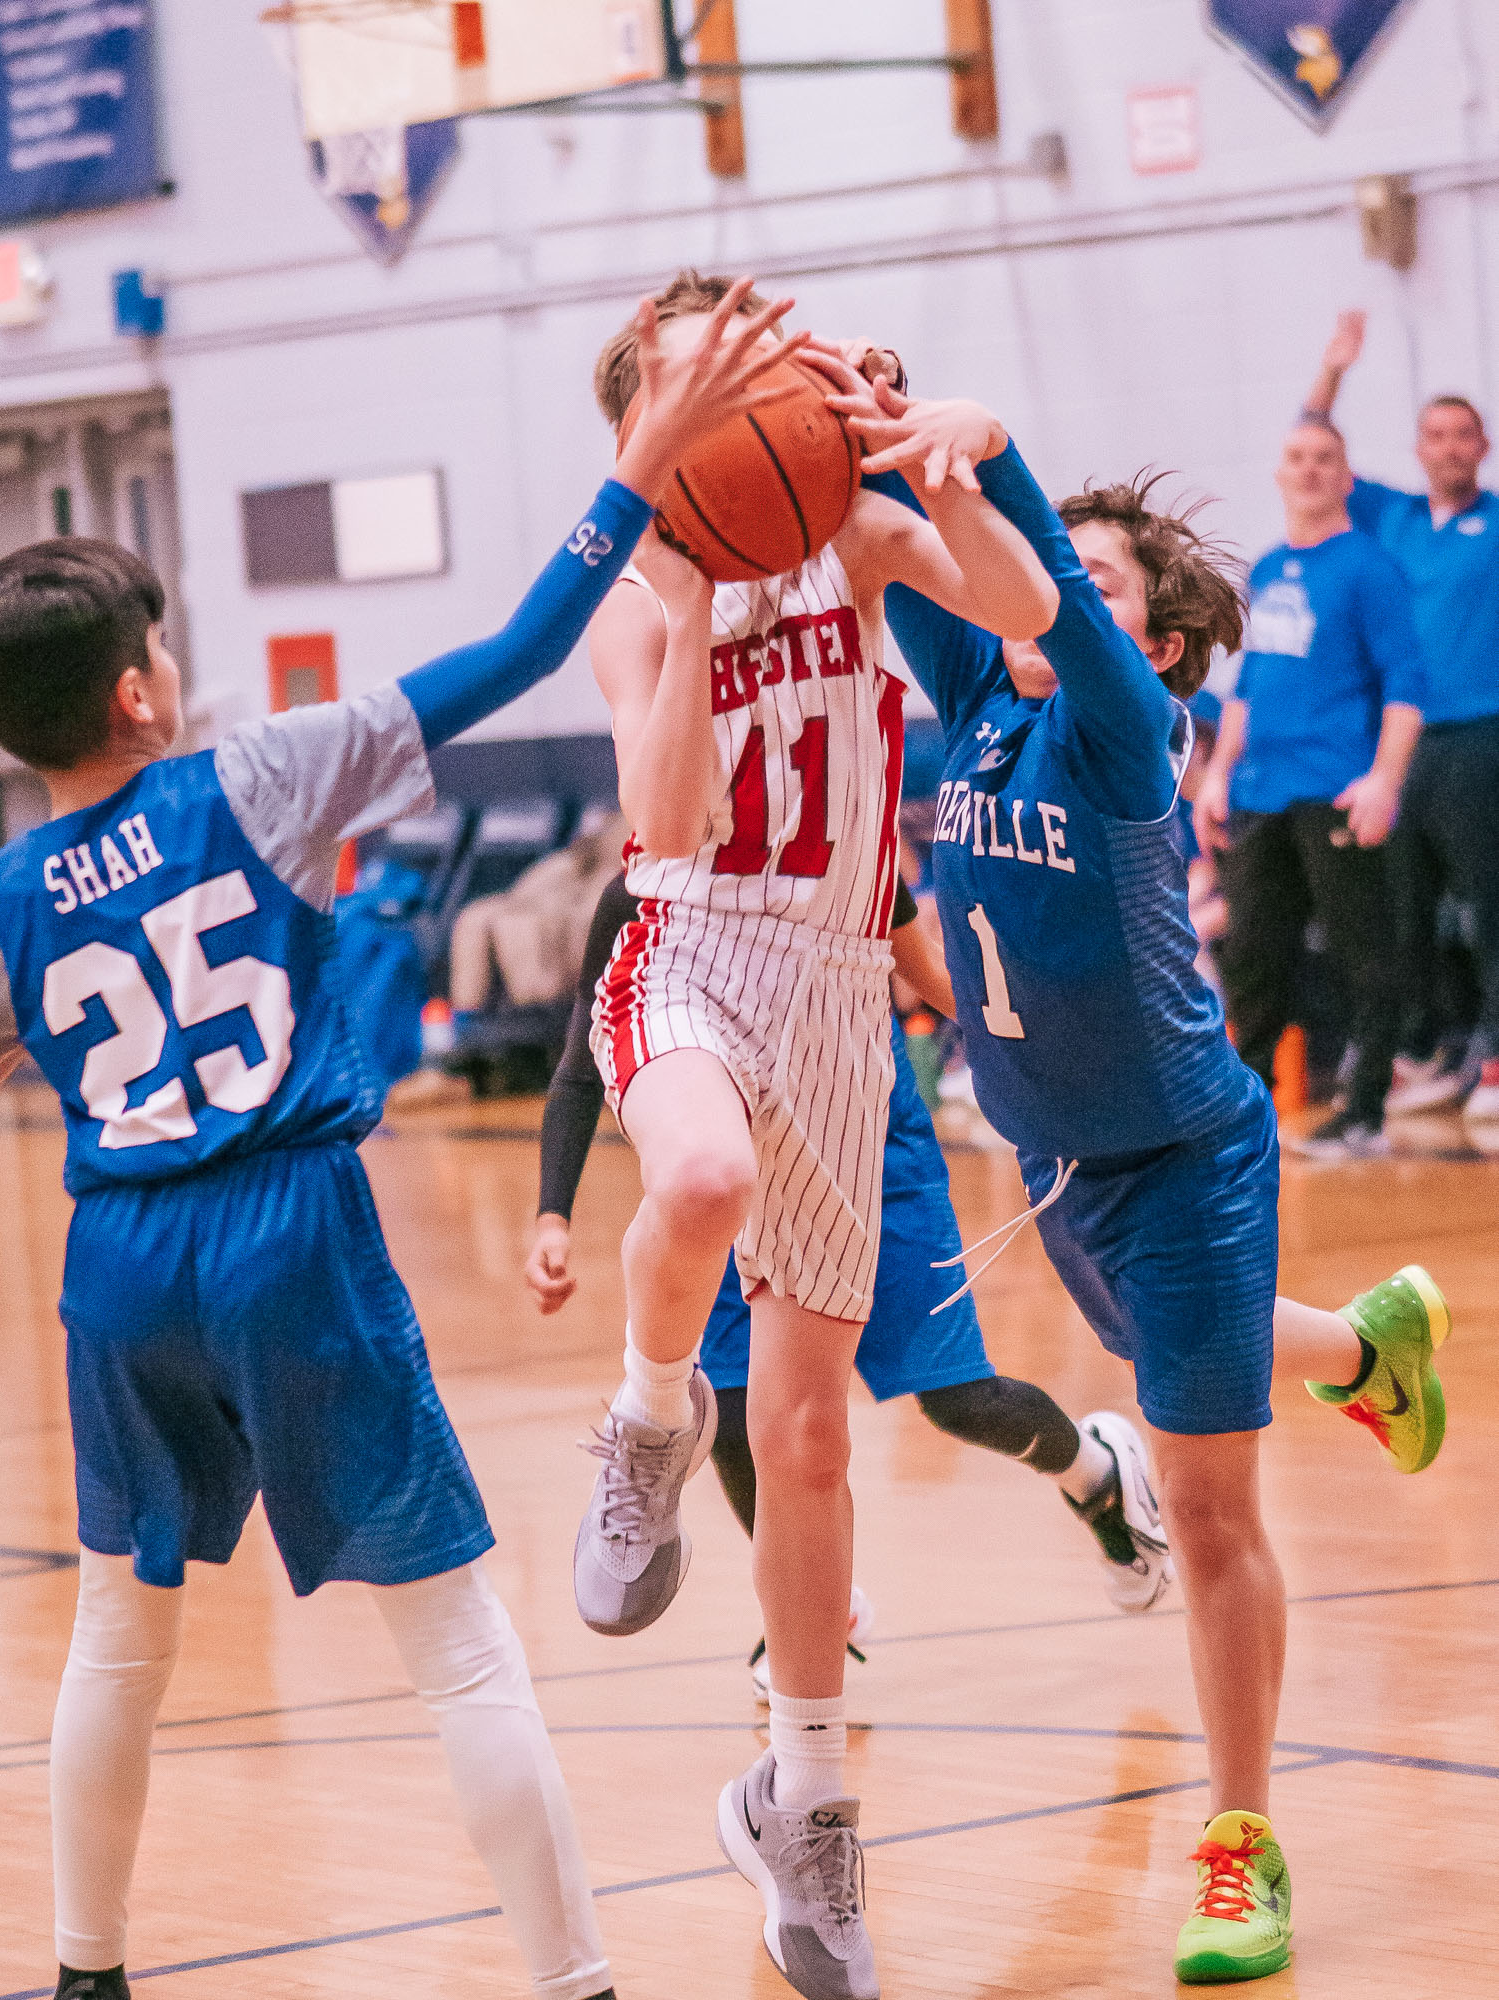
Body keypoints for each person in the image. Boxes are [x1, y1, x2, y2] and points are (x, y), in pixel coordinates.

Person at [0, 279, 793, 2000]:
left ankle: (83, 1972)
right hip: (283, 1227)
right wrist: (644, 460)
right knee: (454, 1638)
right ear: (139, 694)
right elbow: (516, 656)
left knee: (118, 1637)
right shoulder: (257, 777)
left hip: (116, 1259)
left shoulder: (13, 886)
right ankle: (573, 1982)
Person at [819, 360, 1451, 1985]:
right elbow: (894, 537)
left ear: (1153, 641)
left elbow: (1045, 587)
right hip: (1059, 1161)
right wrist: (868, 413)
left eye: (1106, 585)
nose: (1061, 595)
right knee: (1187, 1365)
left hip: (1185, 1163)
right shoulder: (978, 695)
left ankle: (1243, 1846)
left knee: (1208, 1501)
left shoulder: (1124, 725)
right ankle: (1367, 1349)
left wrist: (999, 457)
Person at [576, 272, 1060, 2000]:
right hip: (691, 948)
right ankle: (646, 1416)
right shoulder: (635, 598)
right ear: (652, 428)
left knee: (809, 1444)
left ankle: (807, 1801)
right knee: (701, 1176)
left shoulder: (851, 528)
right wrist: (696, 601)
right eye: (710, 383)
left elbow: (1026, 612)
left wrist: (945, 458)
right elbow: (663, 823)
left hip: (843, 992)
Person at [528, 868, 1176, 1691]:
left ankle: (1096, 1474)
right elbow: (582, 1064)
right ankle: (812, 1611)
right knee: (735, 1409)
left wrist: (1054, 1050)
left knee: (957, 1398)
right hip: (729, 1147)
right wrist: (552, 1215)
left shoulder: (846, 849)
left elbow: (931, 974)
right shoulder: (641, 890)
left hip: (869, 1137)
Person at [1192, 416, 1424, 1158]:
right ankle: (1246, 1117)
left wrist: (1384, 780)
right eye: (1297, 457)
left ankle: (1365, 1113)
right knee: (1254, 955)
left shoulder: (1370, 567)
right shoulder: (1267, 568)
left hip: (1336, 789)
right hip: (1259, 792)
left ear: (1347, 477)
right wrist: (1217, 775)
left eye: (1326, 458)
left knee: (1364, 954)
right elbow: (1248, 684)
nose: (1310, 469)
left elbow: (1406, 684)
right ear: (1280, 472)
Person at [1304, 311, 1499, 1125]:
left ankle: (1494, 1058)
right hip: (1399, 747)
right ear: (1419, 449)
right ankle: (1425, 1049)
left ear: (1482, 447)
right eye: (1436, 435)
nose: (1449, 447)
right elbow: (1314, 444)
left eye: (1463, 435)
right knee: (1402, 911)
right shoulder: (1392, 517)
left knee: (1486, 904)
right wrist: (1334, 370)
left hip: (1479, 739)